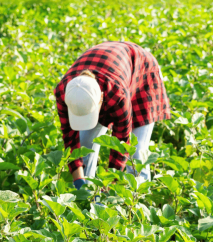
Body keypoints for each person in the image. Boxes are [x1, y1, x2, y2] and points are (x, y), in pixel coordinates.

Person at [54, 41, 170, 190]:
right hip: (110, 65)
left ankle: (137, 201)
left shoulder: (117, 95)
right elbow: (70, 139)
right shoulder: (65, 92)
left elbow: (121, 143)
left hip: (142, 72)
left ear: (101, 99)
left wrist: (109, 185)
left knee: (136, 151)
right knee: (84, 143)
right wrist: (78, 180)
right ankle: (87, 196)